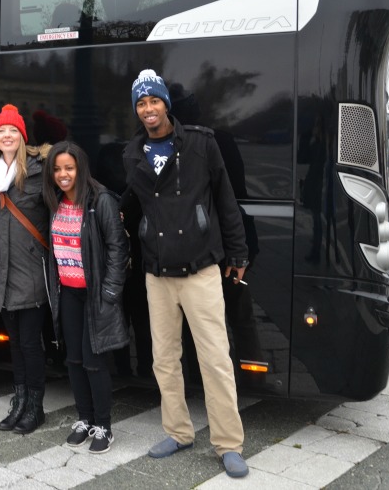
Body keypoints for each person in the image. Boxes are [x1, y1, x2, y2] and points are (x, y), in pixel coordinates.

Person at [122, 69, 250, 478]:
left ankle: (228, 444)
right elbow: (131, 204)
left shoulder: (200, 143)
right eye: (141, 104)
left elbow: (226, 200)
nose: (148, 110)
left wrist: (238, 251)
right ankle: (177, 432)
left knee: (215, 358)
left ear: (166, 104)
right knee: (164, 359)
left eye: (154, 101)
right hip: (157, 273)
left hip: (200, 270)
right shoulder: (132, 153)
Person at [44, 141, 130, 454]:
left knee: (95, 362)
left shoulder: (101, 200)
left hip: (95, 294)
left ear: (81, 168)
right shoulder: (53, 201)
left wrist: (109, 291)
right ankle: (85, 419)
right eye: (57, 169)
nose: (63, 174)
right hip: (67, 292)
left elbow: (118, 248)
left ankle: (104, 425)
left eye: (69, 168)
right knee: (74, 361)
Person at [0, 104, 51, 434]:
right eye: (1, 131)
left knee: (30, 343)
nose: (7, 135)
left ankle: (35, 407)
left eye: (13, 130)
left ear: (22, 137)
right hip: (1, 274)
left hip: (30, 271)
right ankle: (19, 401)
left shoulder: (39, 171)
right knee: (13, 344)